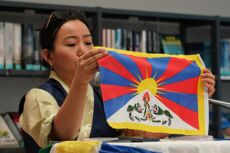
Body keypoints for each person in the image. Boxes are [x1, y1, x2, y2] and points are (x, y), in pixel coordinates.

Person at [19, 10, 216, 153]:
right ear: (48, 56)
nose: (83, 50)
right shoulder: (39, 96)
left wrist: (193, 95)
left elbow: (142, 133)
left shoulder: (103, 94)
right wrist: (80, 81)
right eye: (71, 43)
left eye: (88, 42)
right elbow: (64, 138)